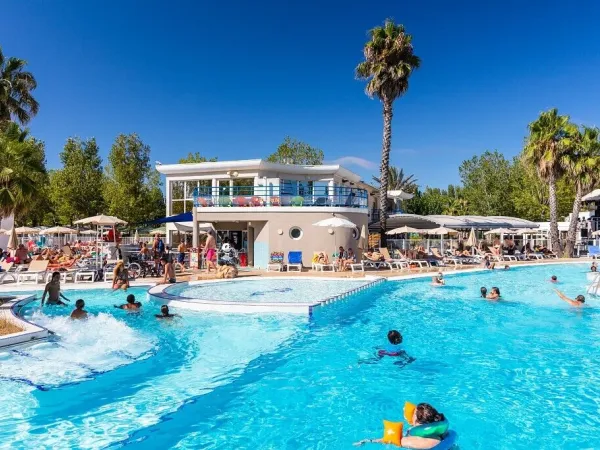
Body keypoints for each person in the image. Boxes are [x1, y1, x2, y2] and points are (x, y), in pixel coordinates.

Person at [354, 403, 447, 448]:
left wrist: (367, 440)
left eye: (413, 413)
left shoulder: (410, 440)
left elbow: (389, 440)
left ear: (416, 419)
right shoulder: (441, 435)